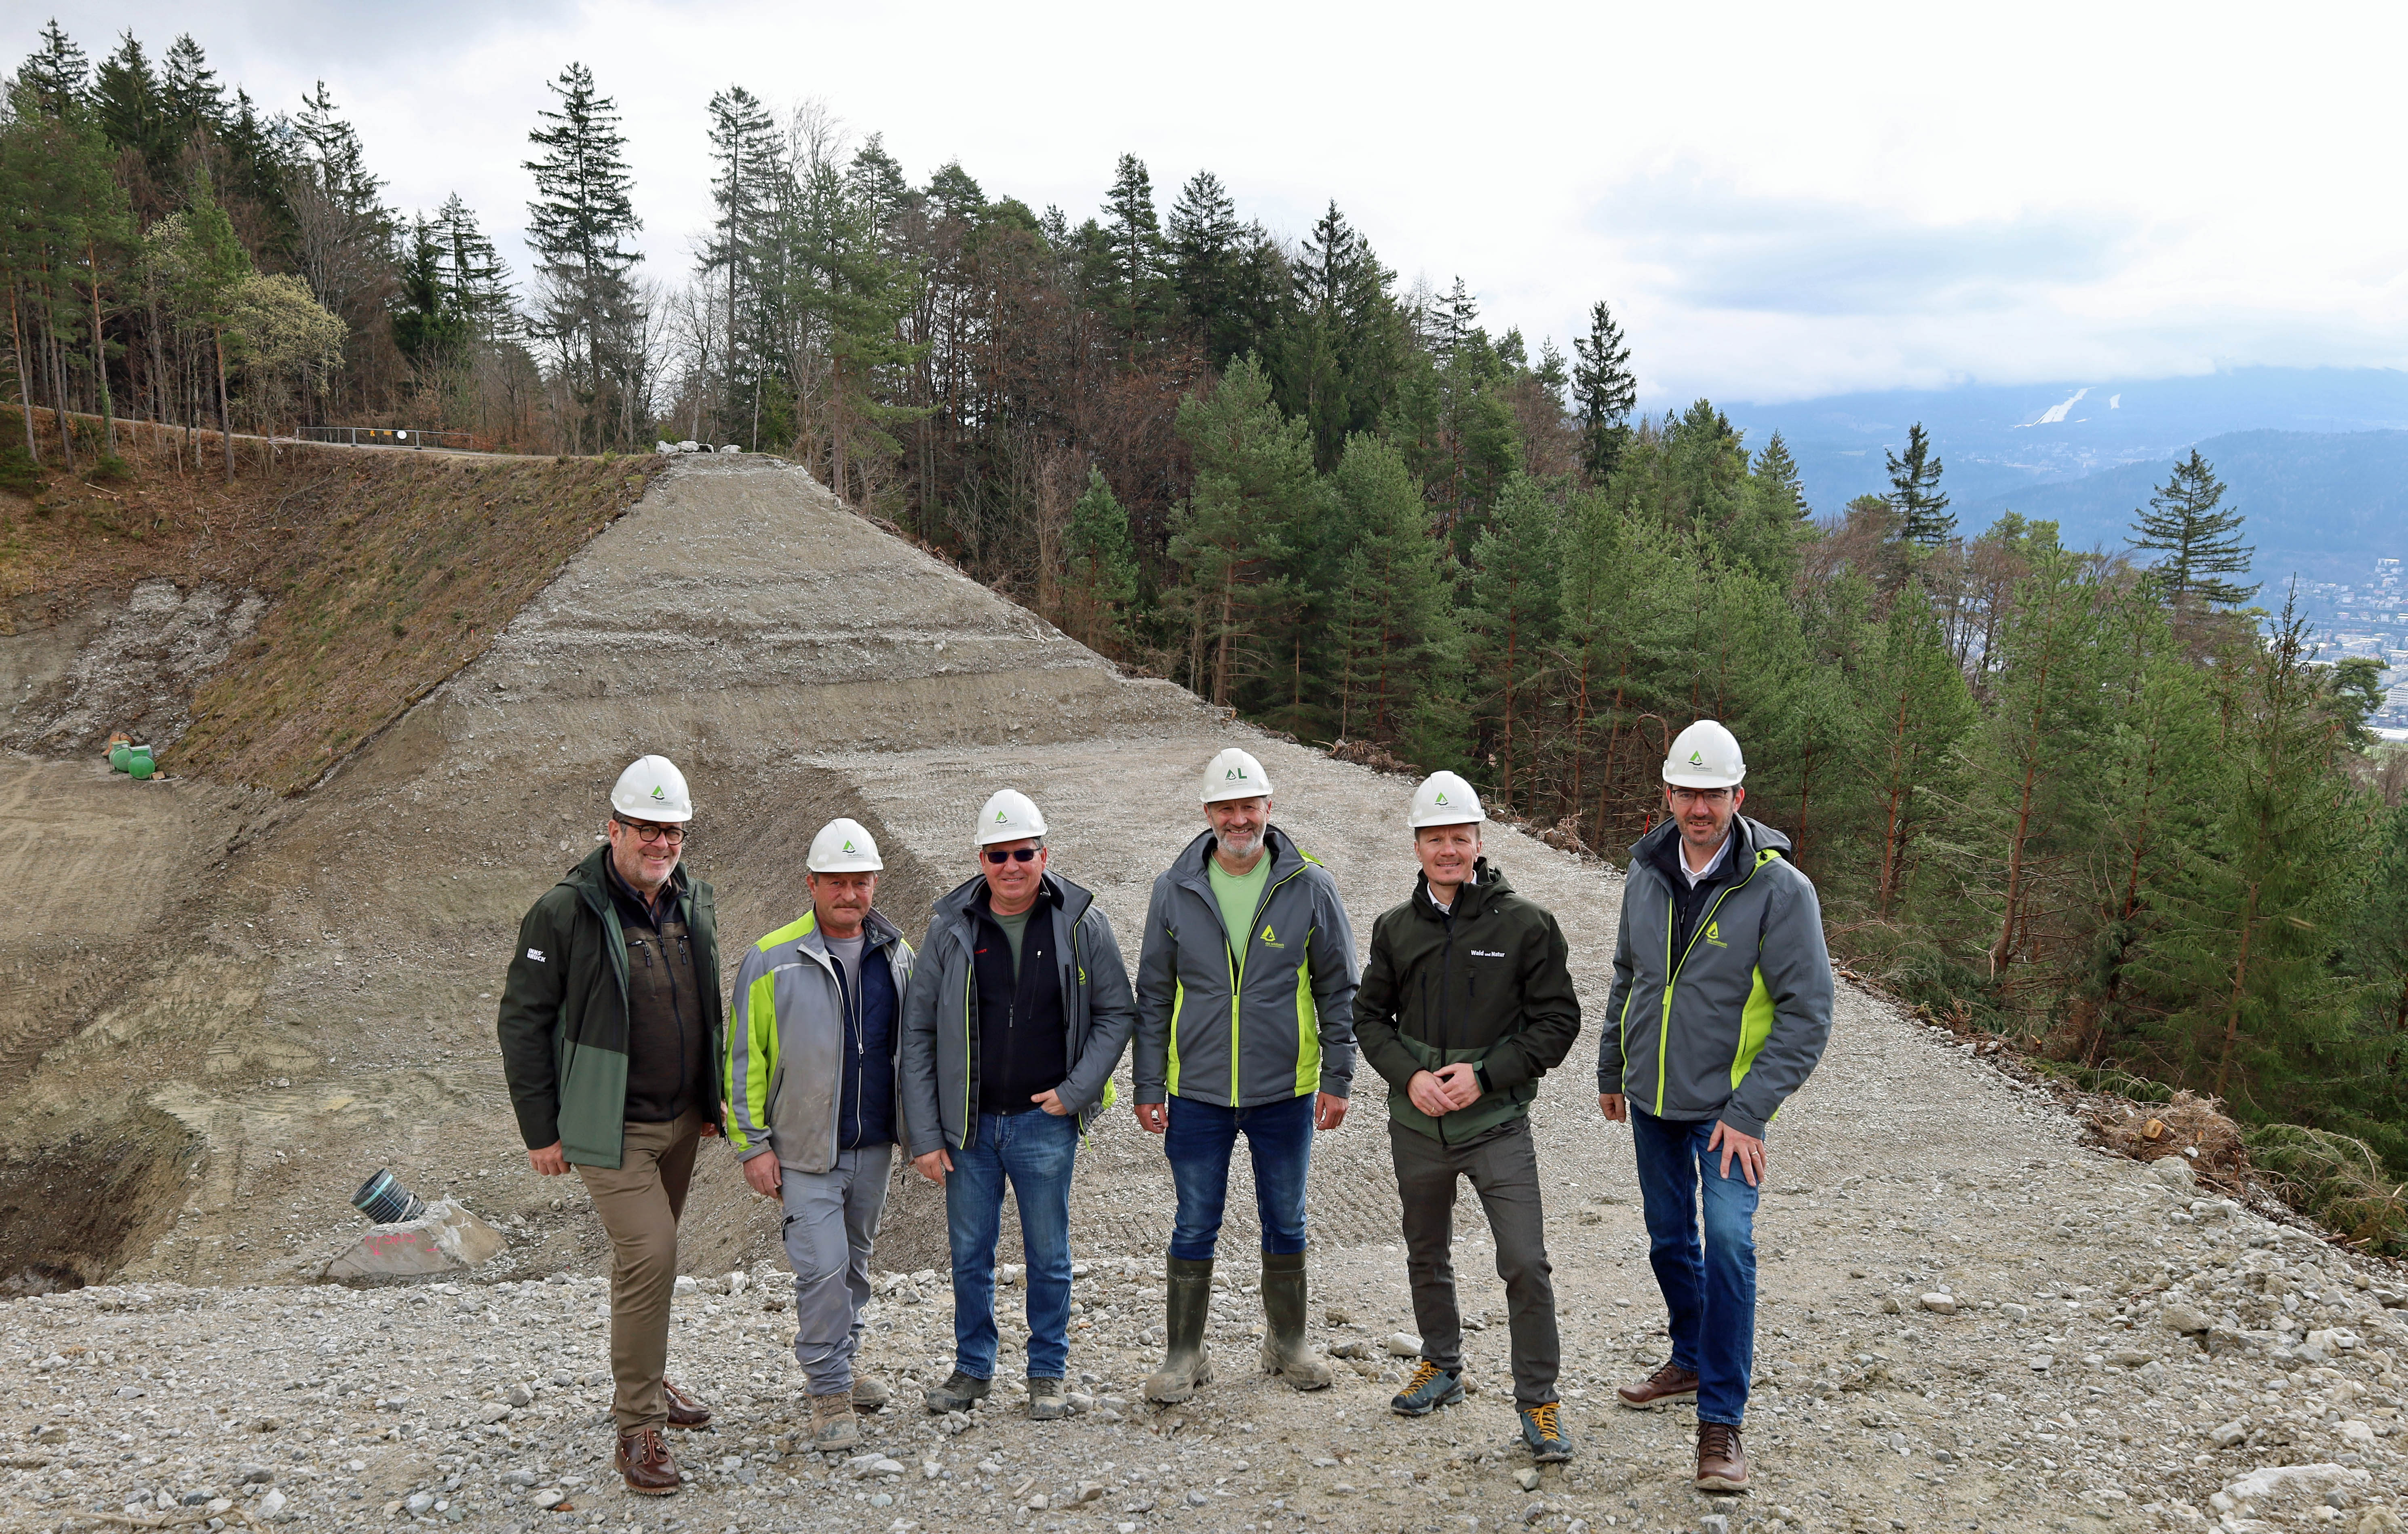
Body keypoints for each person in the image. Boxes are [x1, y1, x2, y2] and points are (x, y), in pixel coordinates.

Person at [1597, 720, 1834, 1493]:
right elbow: (1627, 975)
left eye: (1713, 794)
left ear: (1739, 794)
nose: (1699, 808)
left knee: (1728, 1246)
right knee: (1670, 1242)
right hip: (1652, 1102)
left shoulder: (1778, 889)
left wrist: (1750, 1110)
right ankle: (1691, 1361)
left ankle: (1721, 1423)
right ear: (1666, 794)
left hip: (1728, 1114)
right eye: (1685, 792)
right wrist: (1612, 1066)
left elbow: (1807, 1014)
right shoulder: (1645, 871)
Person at [495, 755, 723, 1497]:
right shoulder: (563, 912)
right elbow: (522, 1023)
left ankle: (649, 1384)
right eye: (647, 831)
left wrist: (714, 1103)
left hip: (683, 1121)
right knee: (653, 1253)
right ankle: (637, 1429)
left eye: (674, 833)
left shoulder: (693, 902)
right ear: (613, 829)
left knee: (642, 1266)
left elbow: (704, 1003)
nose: (661, 845)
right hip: (610, 1124)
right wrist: (541, 1130)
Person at [1353, 770, 1583, 1461]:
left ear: (1479, 841)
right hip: (1417, 1127)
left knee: (1524, 1262)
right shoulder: (1395, 929)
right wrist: (1410, 1076)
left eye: (1459, 838)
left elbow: (1558, 1022)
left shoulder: (1526, 925)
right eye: (1434, 839)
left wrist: (1485, 1076)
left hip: (1497, 1127)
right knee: (1426, 1252)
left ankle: (1539, 1405)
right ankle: (1442, 1365)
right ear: (1417, 846)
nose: (1448, 850)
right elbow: (1368, 1017)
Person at [900, 789, 1137, 1422]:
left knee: (1049, 1255)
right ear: (980, 859)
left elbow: (1118, 1012)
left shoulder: (1081, 921)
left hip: (1043, 1124)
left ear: (1044, 853)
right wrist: (925, 1134)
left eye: (1023, 853)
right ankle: (973, 1369)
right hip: (968, 1131)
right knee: (970, 1254)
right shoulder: (950, 928)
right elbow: (918, 1031)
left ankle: (1046, 1373)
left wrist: (1075, 1092)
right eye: (998, 854)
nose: (1011, 866)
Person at [1131, 747, 1360, 1404]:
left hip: (1283, 1092)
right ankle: (1185, 1352)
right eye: (1225, 808)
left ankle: (1286, 1344)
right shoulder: (1174, 888)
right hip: (1196, 1091)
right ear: (1207, 814)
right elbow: (1153, 993)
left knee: (1286, 1219)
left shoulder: (1309, 885)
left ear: (1268, 808)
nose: (1238, 820)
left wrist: (1337, 1078)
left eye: (1248, 807)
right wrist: (1150, 1085)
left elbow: (1337, 988)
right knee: (1193, 1221)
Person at [724, 818, 914, 1452]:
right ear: (811, 883)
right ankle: (829, 1391)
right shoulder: (772, 958)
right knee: (823, 1270)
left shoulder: (898, 955)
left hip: (873, 1146)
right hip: (803, 1150)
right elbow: (743, 1060)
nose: (850, 893)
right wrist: (752, 1145)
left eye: (861, 881)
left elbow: (914, 1050)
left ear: (875, 883)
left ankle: (843, 1361)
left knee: (855, 1267)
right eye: (837, 881)